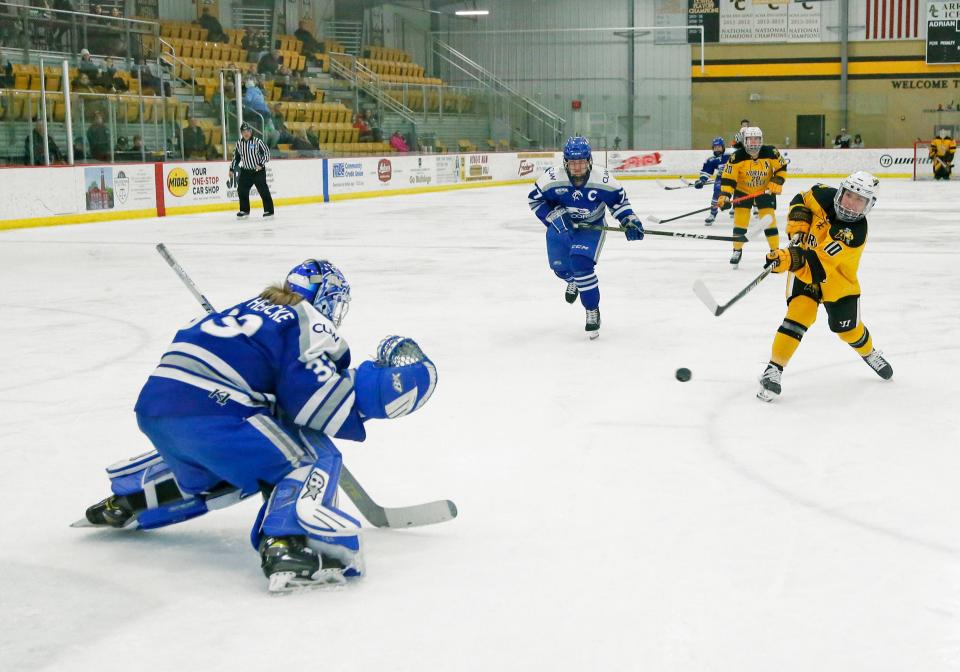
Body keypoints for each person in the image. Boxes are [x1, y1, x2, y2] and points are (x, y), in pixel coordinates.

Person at [77, 259, 438, 591]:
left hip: (157, 411)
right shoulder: (303, 320)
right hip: (216, 413)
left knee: (240, 462)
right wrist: (395, 382)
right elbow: (324, 403)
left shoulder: (248, 309)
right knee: (310, 459)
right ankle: (289, 544)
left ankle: (130, 498)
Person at [757, 171, 892, 401]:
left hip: (837, 282)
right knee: (798, 316)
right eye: (849, 195)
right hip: (804, 274)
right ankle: (774, 369)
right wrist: (799, 224)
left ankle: (869, 352)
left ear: (868, 206)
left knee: (848, 330)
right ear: (841, 191)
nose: (851, 204)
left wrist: (787, 259)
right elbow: (801, 197)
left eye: (860, 201)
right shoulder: (822, 195)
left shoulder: (852, 233)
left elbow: (817, 267)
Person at [527, 136, 644, 339]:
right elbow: (535, 201)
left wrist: (629, 221)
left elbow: (620, 204)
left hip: (591, 227)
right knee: (559, 268)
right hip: (561, 226)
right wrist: (554, 216)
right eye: (573, 162)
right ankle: (572, 280)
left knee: (581, 264)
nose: (578, 167)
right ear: (566, 162)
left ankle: (592, 310)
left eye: (581, 162)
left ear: (589, 161)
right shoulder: (552, 178)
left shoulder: (603, 180)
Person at [717, 126, 787, 267]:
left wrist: (777, 180)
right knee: (740, 222)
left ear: (761, 140)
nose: (753, 142)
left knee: (770, 221)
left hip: (765, 191)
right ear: (745, 140)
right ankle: (737, 250)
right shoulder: (736, 157)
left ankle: (775, 251)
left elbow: (781, 168)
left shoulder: (771, 152)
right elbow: (728, 178)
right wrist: (725, 195)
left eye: (756, 139)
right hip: (743, 191)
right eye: (750, 139)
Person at [230, 122, 274, 217]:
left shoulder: (257, 142)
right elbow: (236, 158)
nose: (246, 133)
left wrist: (260, 163)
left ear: (251, 132)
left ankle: (269, 210)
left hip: (258, 171)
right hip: (246, 171)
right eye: (244, 131)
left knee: (263, 190)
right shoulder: (239, 143)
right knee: (241, 190)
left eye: (248, 131)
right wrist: (231, 168)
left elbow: (267, 153)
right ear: (241, 133)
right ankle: (244, 210)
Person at [694, 136, 729, 225]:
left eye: (719, 147)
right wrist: (702, 180)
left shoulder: (731, 156)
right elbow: (707, 171)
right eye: (715, 147)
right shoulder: (711, 160)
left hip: (735, 178)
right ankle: (713, 214)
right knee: (716, 193)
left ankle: (752, 208)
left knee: (742, 191)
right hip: (721, 178)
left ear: (723, 147)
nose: (717, 149)